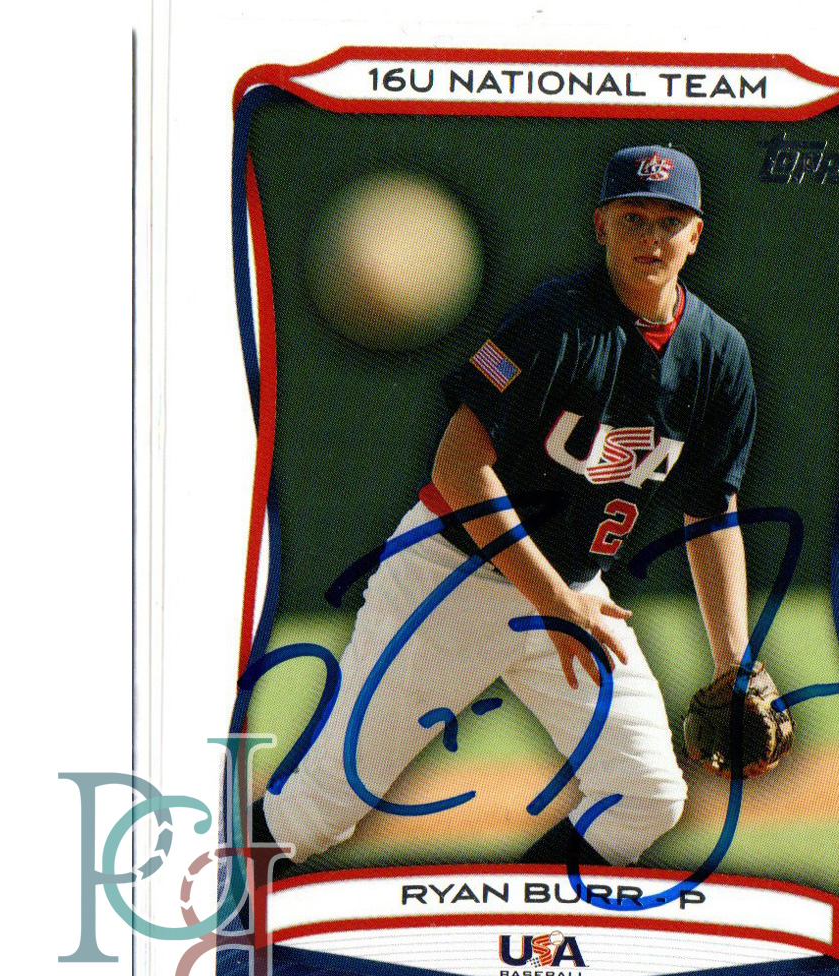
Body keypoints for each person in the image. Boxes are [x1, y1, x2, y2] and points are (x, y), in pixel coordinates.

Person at [253, 145, 756, 871]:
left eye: (669, 221)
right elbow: (457, 466)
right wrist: (554, 602)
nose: (652, 238)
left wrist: (734, 661)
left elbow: (711, 510)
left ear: (696, 234)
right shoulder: (553, 321)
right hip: (452, 577)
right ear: (602, 226)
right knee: (318, 811)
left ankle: (523, 920)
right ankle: (218, 915)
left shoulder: (719, 355)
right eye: (634, 218)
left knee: (645, 795)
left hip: (576, 594)